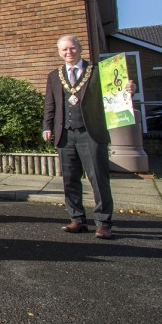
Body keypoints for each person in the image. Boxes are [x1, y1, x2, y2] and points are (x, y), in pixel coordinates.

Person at [43, 35, 135, 240]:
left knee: (98, 179)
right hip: (65, 134)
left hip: (91, 132)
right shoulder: (53, 76)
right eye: (64, 50)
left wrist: (129, 90)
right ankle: (77, 219)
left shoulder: (99, 71)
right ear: (59, 52)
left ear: (80, 48)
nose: (69, 53)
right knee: (70, 180)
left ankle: (103, 223)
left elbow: (118, 94)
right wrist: (47, 126)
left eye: (72, 48)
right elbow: (50, 104)